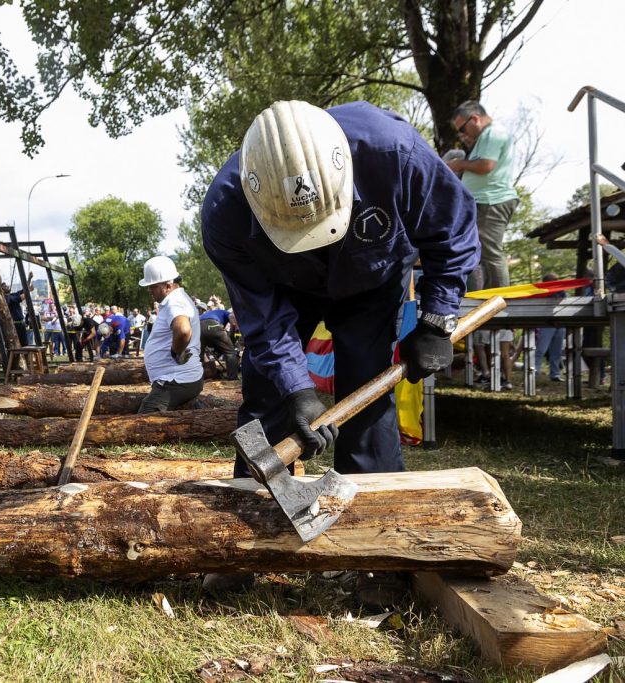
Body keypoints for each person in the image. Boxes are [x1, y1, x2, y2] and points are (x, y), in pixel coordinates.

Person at [201, 100, 478, 604]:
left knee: (366, 397)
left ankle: (379, 552)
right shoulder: (225, 212)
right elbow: (264, 321)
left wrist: (437, 318)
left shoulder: (395, 153)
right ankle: (246, 540)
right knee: (266, 400)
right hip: (285, 288)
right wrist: (297, 390)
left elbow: (452, 229)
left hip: (371, 280)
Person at [445, 101, 519, 390]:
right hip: (485, 202)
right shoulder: (485, 137)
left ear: (474, 119)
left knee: (490, 251)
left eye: (463, 129)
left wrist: (458, 164)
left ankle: (500, 297)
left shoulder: (492, 134)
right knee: (481, 253)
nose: (463, 136)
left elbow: (486, 166)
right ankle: (491, 294)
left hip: (492, 201)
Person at [137, 256, 204, 412]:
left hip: (176, 380)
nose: (149, 290)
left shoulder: (175, 302)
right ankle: (193, 407)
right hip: (176, 379)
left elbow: (183, 330)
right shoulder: (175, 299)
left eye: (152, 286)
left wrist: (176, 352)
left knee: (144, 421)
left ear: (167, 286)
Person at [533, 273, 564, 382]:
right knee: (541, 349)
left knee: (557, 351)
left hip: (560, 323)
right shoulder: (541, 292)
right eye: (553, 280)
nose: (556, 281)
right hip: (546, 324)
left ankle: (555, 374)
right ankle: (535, 371)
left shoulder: (562, 291)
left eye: (557, 279)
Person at [199, 304, 240, 380]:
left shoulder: (208, 314)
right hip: (213, 325)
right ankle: (232, 378)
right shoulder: (225, 312)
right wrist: (234, 333)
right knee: (230, 352)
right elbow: (232, 318)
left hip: (198, 328)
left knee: (199, 355)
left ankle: (199, 378)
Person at [3, 275, 34, 346]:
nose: (7, 286)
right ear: (1, 290)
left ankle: (25, 356)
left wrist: (29, 278)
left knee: (24, 343)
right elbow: (19, 298)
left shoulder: (12, 295)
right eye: (4, 286)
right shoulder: (6, 298)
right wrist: (29, 290)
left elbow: (24, 290)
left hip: (21, 324)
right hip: (14, 325)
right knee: (15, 345)